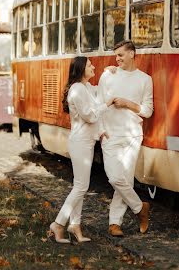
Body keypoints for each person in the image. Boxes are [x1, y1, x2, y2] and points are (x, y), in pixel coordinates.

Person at [48, 56, 113, 244]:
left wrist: (109, 72)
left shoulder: (85, 88)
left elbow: (98, 90)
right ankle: (58, 224)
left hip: (86, 142)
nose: (94, 67)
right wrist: (107, 105)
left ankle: (75, 225)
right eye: (90, 65)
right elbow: (90, 116)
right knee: (80, 187)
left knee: (80, 185)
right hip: (80, 143)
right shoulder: (77, 90)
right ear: (81, 68)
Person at [98, 40, 153, 237]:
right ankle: (140, 208)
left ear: (132, 54)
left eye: (121, 54)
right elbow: (98, 104)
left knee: (125, 181)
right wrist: (101, 130)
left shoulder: (145, 80)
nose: (117, 58)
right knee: (114, 178)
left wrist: (128, 103)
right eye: (116, 56)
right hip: (111, 134)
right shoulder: (108, 75)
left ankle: (114, 223)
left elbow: (147, 111)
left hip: (132, 136)